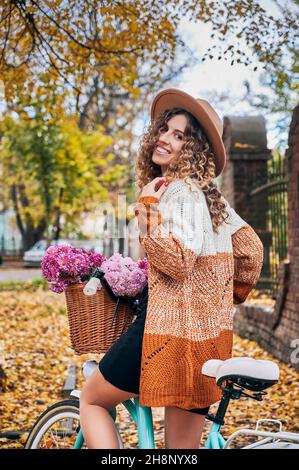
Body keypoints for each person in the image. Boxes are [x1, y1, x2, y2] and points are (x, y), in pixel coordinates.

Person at [79, 88, 264, 449]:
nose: (164, 138)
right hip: (208, 339)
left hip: (164, 333)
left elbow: (178, 262)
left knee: (92, 400)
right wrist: (220, 294)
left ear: (192, 149)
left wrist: (147, 208)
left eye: (179, 136)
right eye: (165, 129)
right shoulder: (214, 202)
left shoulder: (176, 192)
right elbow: (252, 252)